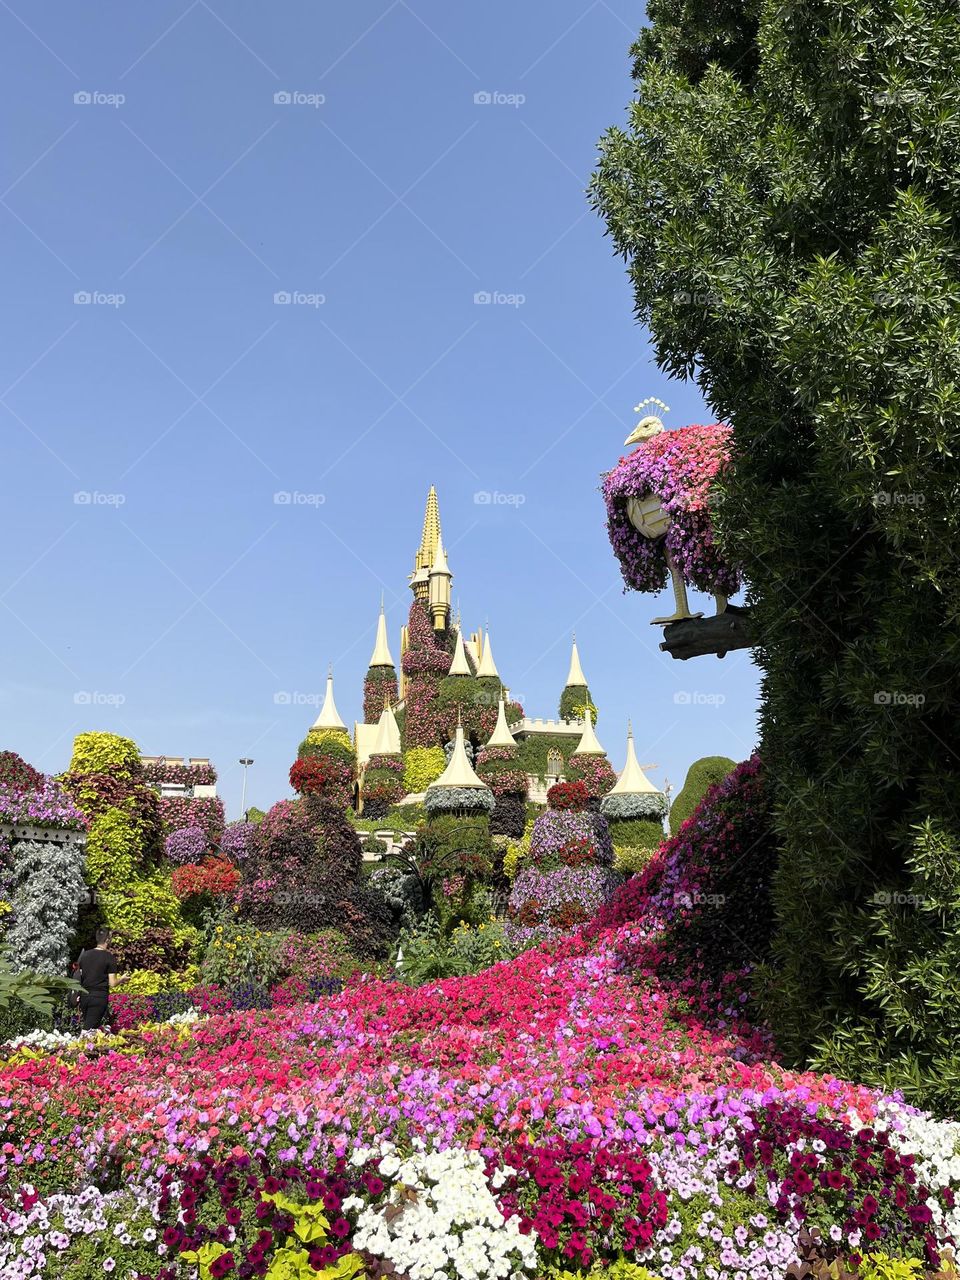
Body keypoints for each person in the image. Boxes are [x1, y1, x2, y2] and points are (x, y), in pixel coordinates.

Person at [74, 929, 124, 1030]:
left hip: (85, 996)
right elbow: (113, 983)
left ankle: (91, 1045)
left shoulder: (85, 955)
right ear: (107, 940)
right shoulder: (109, 958)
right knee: (88, 1030)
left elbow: (80, 976)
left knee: (93, 1028)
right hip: (99, 997)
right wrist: (122, 979)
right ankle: (78, 1045)